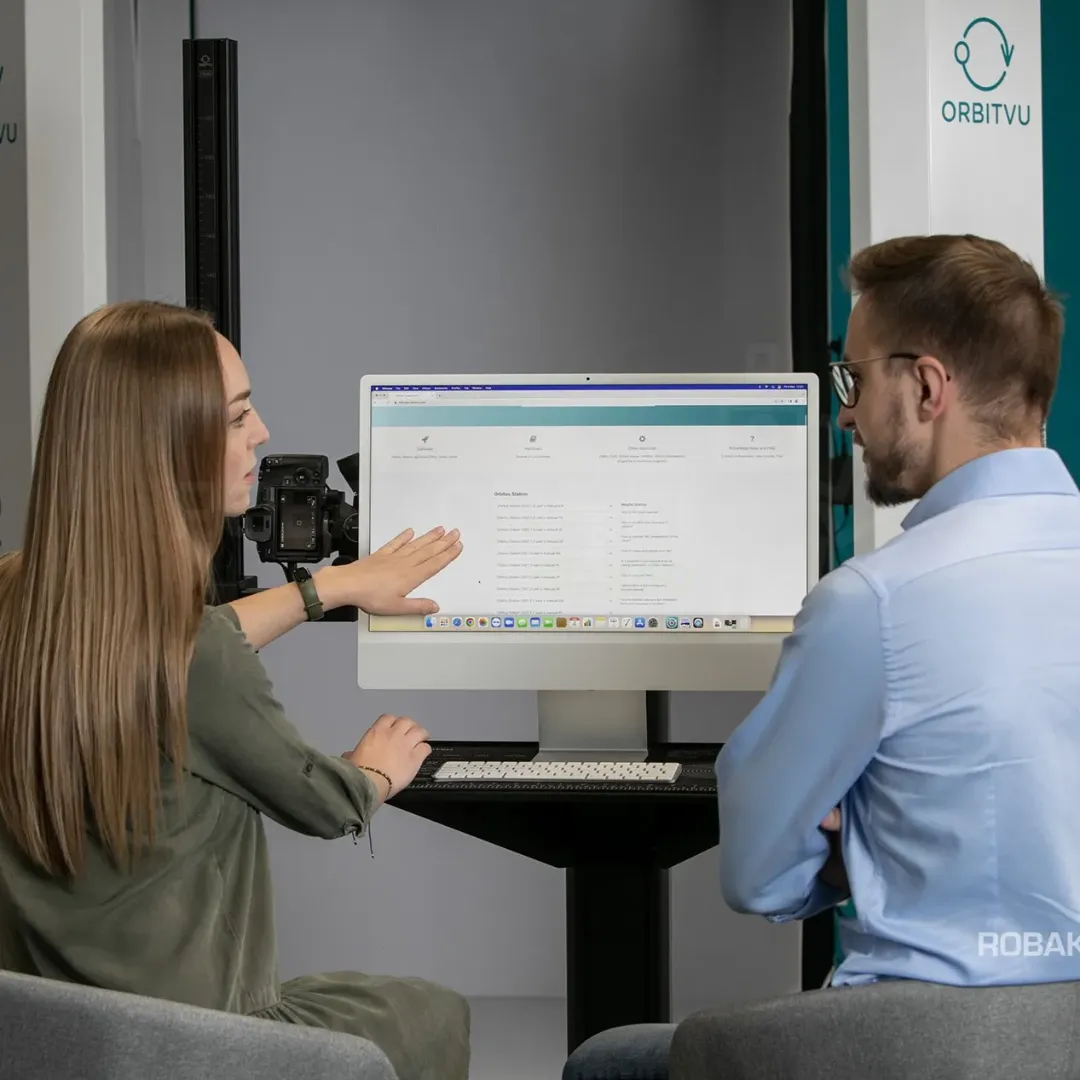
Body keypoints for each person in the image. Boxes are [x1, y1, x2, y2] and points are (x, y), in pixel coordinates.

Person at [562, 232, 1080, 1079]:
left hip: (923, 1044)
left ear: (924, 386)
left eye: (854, 377)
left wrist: (858, 847)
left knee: (608, 1063)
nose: (844, 413)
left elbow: (759, 877)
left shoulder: (871, 604)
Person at [0, 300, 469, 1080]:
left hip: (44, 1037)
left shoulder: (21, 601)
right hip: (192, 1042)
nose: (263, 435)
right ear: (166, 445)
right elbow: (326, 804)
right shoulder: (197, 658)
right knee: (429, 1013)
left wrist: (329, 587)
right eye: (238, 416)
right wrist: (376, 768)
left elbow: (164, 646)